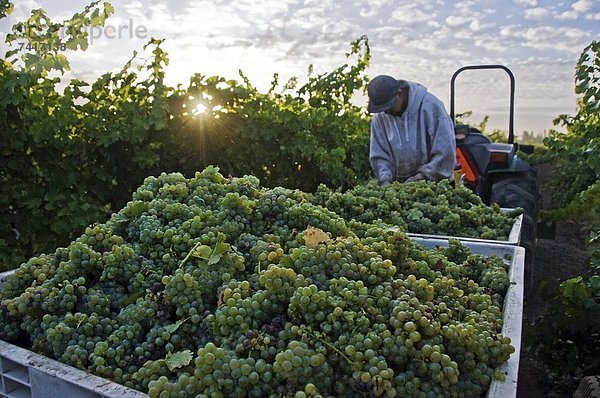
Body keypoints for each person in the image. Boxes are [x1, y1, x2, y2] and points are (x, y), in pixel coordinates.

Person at [366, 75, 456, 185]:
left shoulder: (431, 107)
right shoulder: (380, 117)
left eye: (389, 106)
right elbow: (380, 156)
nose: (386, 112)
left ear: (399, 94)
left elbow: (445, 154)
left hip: (436, 185)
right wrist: (385, 180)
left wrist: (420, 178)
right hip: (399, 189)